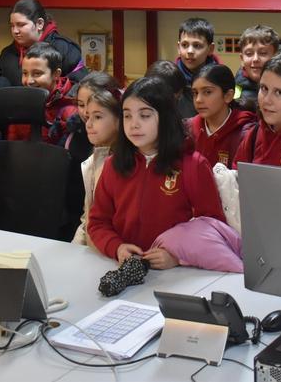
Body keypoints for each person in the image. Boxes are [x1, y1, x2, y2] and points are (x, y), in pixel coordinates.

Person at [88, 77, 226, 267]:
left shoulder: (193, 165)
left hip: (176, 275)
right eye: (127, 115)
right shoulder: (113, 165)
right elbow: (97, 222)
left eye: (144, 115)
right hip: (121, 266)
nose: (134, 124)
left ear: (165, 117)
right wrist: (117, 247)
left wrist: (177, 257)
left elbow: (212, 228)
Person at [72, 72, 123, 247]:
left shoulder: (126, 161)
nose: (86, 114)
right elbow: (88, 218)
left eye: (97, 114)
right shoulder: (95, 154)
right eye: (81, 105)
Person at [0, 0, 86, 86]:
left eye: (21, 25)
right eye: (12, 26)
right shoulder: (7, 54)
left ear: (40, 24)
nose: (15, 31)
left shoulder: (65, 49)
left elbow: (81, 86)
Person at [189, 64, 255, 168]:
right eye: (195, 93)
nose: (198, 100)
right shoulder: (188, 128)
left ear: (228, 96)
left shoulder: (246, 132)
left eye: (207, 92)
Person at [174, 17, 220, 119]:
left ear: (210, 49)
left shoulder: (221, 79)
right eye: (184, 45)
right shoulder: (169, 80)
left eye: (197, 45)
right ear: (178, 47)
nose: (190, 51)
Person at [234, 25, 279, 113]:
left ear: (276, 56)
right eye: (249, 53)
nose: (255, 59)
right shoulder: (231, 94)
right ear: (242, 59)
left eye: (263, 53)